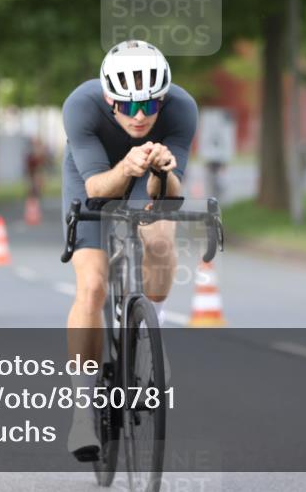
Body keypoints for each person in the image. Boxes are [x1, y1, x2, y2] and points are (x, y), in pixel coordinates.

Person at [61, 40, 197, 460]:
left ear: (163, 99)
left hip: (148, 176)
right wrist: (127, 165)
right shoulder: (80, 106)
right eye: (128, 106)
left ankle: (149, 331)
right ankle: (83, 412)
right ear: (108, 98)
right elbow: (97, 189)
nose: (140, 117)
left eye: (149, 107)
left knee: (158, 236)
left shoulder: (181, 109)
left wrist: (162, 169)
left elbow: (169, 199)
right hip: (96, 175)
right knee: (93, 286)